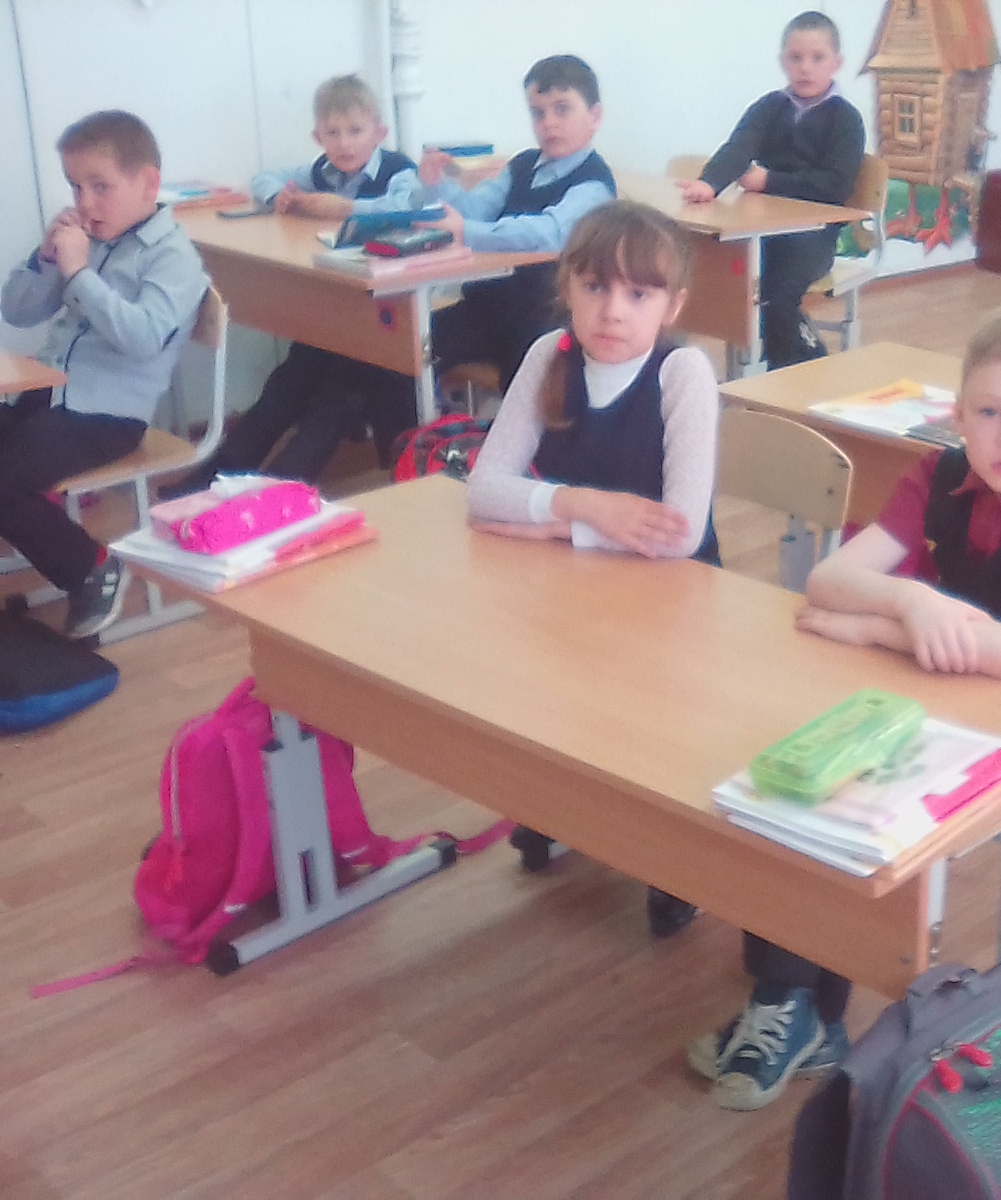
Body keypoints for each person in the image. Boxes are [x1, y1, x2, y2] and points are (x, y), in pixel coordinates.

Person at [689, 302, 1001, 1112]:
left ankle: (796, 999)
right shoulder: (939, 477)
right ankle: (796, 997)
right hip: (932, 691)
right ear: (958, 415)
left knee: (842, 798)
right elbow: (828, 579)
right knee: (790, 768)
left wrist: (875, 626)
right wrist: (914, 603)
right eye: (990, 413)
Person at [466, 198, 718, 942]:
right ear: (567, 288)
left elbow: (679, 533)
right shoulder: (549, 356)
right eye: (596, 287)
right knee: (557, 694)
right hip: (576, 586)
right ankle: (566, 809)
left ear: (673, 306)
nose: (613, 311)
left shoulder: (682, 372)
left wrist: (557, 527)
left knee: (654, 732)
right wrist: (583, 506)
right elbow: (483, 492)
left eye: (638, 294)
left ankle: (675, 862)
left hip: (675, 601)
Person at [0, 110, 208, 639]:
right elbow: (17, 311)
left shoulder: (173, 259)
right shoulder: (89, 239)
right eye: (76, 187)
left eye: (101, 187)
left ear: (148, 184)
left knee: (3, 479)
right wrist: (49, 258)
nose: (85, 203)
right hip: (47, 393)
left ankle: (91, 569)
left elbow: (142, 339)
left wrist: (79, 274)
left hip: (106, 416)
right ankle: (38, 521)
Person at [170, 74, 421, 494]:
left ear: (379, 134)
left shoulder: (399, 170)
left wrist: (346, 208)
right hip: (333, 306)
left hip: (383, 316)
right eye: (333, 133)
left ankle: (273, 492)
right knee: (286, 384)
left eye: (355, 131)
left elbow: (406, 207)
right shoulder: (322, 171)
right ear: (318, 137)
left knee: (334, 397)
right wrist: (280, 198)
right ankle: (216, 478)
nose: (344, 143)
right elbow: (265, 179)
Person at [417, 54, 617, 392]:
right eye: (538, 113)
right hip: (485, 308)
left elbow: (548, 233)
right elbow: (476, 209)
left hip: (544, 317)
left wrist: (465, 233)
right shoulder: (521, 165)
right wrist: (437, 186)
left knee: (524, 383)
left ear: (594, 116)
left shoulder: (593, 184)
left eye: (562, 109)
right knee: (406, 352)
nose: (549, 123)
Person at [678, 10, 864, 369]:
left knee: (776, 295)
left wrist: (769, 181)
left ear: (836, 63)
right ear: (783, 62)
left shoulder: (845, 119)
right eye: (796, 58)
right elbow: (738, 147)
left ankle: (800, 364)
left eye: (817, 58)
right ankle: (759, 363)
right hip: (762, 231)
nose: (805, 68)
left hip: (813, 237)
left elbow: (836, 185)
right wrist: (709, 183)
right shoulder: (769, 107)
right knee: (726, 276)